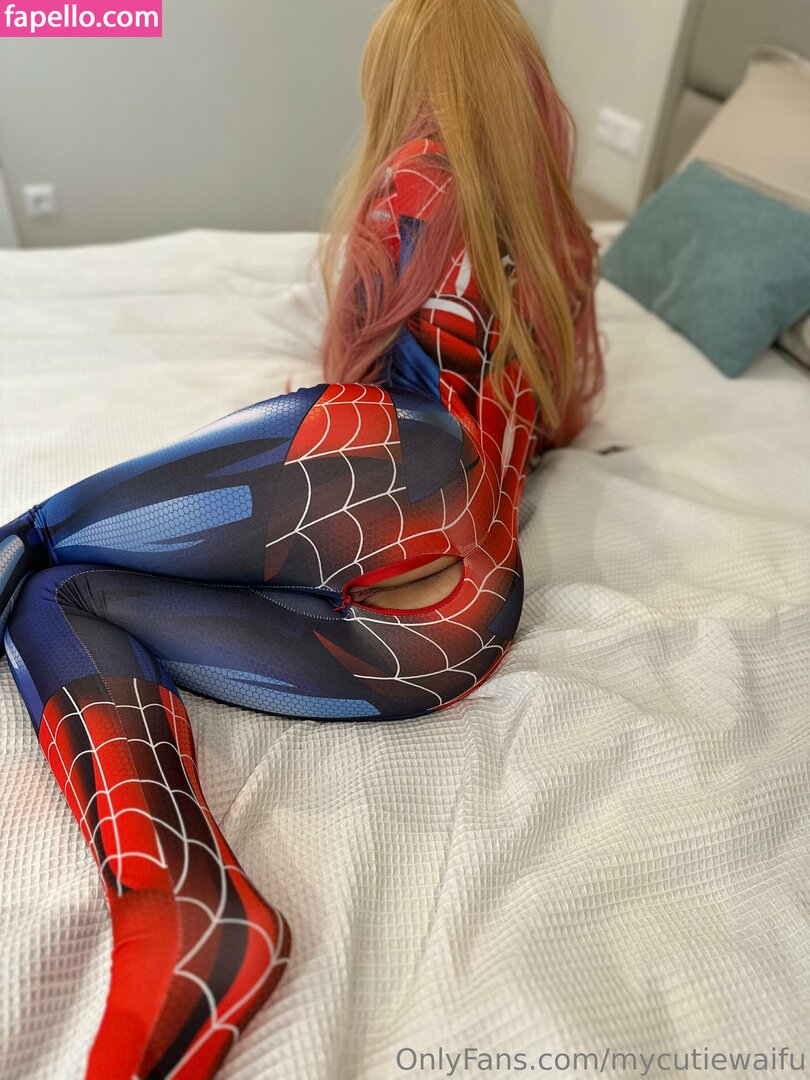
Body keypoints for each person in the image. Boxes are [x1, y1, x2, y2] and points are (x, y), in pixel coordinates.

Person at [0, 0, 604, 1076]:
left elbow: (353, 376)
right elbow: (554, 421)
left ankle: (174, 891)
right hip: (446, 636)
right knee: (61, 595)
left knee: (39, 550)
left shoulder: (413, 178)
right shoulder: (566, 238)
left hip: (403, 488)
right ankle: (191, 913)